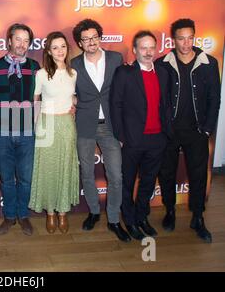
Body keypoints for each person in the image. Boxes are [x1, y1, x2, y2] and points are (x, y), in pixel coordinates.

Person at [156, 18, 221, 243]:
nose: (186, 43)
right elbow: (157, 100)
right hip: (169, 131)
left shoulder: (209, 63)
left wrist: (207, 129)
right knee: (166, 173)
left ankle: (198, 217)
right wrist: (162, 128)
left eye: (190, 38)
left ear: (195, 37)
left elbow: (215, 99)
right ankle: (170, 211)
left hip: (197, 131)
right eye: (181, 38)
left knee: (198, 175)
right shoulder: (161, 64)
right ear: (173, 40)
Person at [70, 19, 130, 242]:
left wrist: (123, 130)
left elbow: (124, 94)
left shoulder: (116, 59)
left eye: (94, 37)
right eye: (85, 39)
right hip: (84, 125)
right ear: (80, 43)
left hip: (111, 126)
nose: (91, 42)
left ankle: (114, 218)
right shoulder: (74, 64)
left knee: (115, 175)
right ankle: (94, 211)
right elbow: (70, 91)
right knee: (86, 173)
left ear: (100, 37)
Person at [110, 31, 170, 240]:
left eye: (151, 47)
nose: (148, 52)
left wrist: (166, 134)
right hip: (133, 140)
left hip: (157, 139)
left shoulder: (163, 72)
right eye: (143, 48)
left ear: (156, 49)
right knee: (127, 183)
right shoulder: (123, 73)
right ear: (135, 50)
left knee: (147, 182)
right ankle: (130, 220)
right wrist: (121, 136)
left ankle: (142, 217)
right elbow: (115, 106)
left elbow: (166, 105)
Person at [0, 23, 40, 236]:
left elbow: (39, 99)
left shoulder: (35, 66)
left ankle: (23, 215)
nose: (22, 44)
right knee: (7, 178)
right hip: (3, 133)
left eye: (26, 40)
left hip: (27, 132)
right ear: (9, 40)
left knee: (26, 178)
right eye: (17, 39)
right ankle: (9, 216)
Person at [29, 31, 79, 234]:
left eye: (63, 46)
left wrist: (74, 104)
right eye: (55, 47)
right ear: (48, 51)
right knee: (48, 169)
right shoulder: (40, 74)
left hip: (67, 124)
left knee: (65, 168)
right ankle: (50, 212)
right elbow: (35, 101)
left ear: (67, 49)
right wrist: (35, 127)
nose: (60, 51)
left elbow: (73, 96)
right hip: (46, 124)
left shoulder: (73, 73)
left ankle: (63, 212)